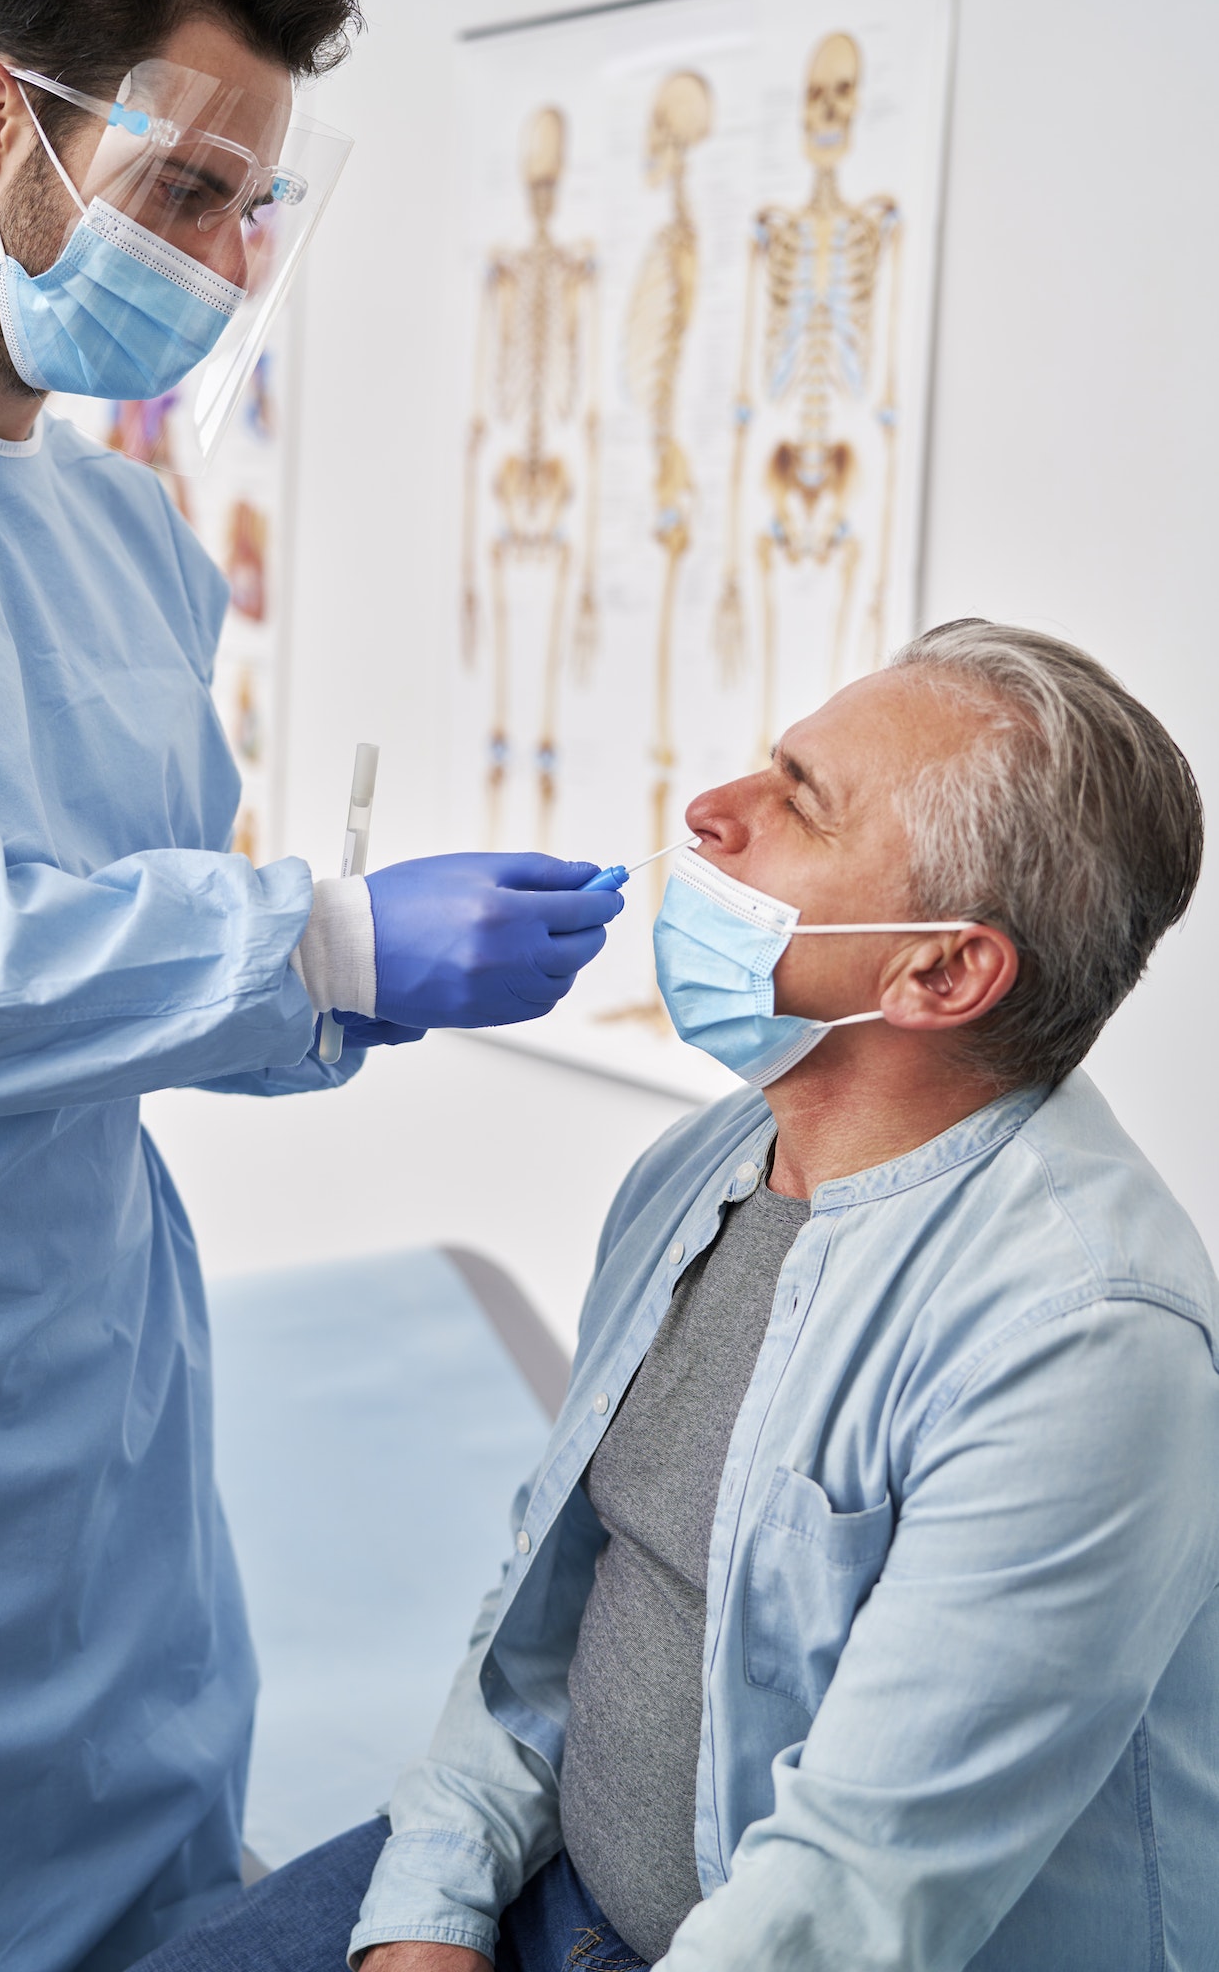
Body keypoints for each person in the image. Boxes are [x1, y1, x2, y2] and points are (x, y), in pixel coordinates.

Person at [0, 0, 623, 1969]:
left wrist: (354, 985)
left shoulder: (134, 539)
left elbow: (156, 966)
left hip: (103, 1435)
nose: (219, 264)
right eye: (187, 189)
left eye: (253, 211)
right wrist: (314, 938)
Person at [137, 622, 1218, 1972]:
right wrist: (430, 1905)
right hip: (559, 1881)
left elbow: (853, 1901)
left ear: (938, 972)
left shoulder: (1084, 1339)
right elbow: (544, 1598)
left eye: (797, 803)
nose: (710, 810)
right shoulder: (704, 1165)